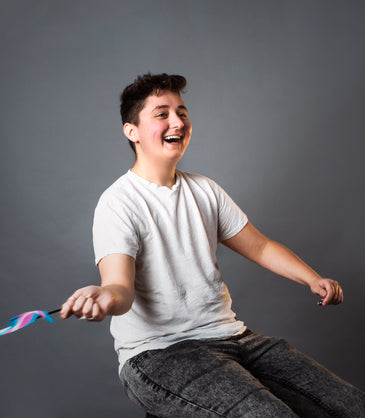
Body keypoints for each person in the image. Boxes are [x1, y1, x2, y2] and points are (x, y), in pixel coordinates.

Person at [61, 73, 365, 417]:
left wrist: (311, 278)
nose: (178, 121)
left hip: (235, 339)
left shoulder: (205, 190)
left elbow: (261, 246)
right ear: (132, 132)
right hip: (159, 354)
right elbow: (119, 287)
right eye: (162, 114)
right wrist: (105, 296)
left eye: (182, 112)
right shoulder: (118, 203)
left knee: (352, 407)